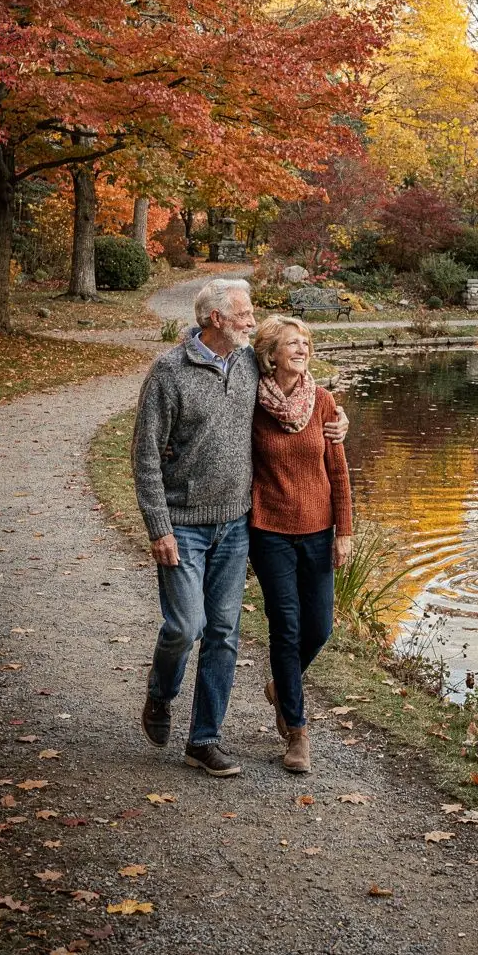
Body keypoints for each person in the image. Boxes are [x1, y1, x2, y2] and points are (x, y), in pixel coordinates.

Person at [131, 279, 346, 778]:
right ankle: (160, 694)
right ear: (214, 320)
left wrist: (340, 423)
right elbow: (144, 455)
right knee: (187, 627)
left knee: (224, 632)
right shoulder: (168, 372)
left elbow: (301, 390)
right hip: (183, 523)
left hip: (235, 524)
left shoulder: (250, 365)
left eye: (251, 315)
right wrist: (158, 526)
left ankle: (203, 740)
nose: (252, 322)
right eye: (244, 315)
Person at [249, 314, 352, 774]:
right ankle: (296, 730)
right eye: (292, 343)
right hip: (269, 530)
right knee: (285, 629)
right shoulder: (249, 402)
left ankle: (280, 684)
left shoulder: (325, 402)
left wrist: (345, 531)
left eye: (306, 343)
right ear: (271, 355)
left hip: (317, 531)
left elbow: (339, 473)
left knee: (320, 627)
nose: (302, 349)